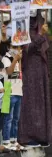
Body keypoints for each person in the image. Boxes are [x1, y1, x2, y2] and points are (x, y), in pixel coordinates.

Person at [18, 9, 51, 147]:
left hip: (41, 70)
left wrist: (43, 34)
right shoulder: (21, 26)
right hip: (29, 68)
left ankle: (43, 135)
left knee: (41, 100)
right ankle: (27, 136)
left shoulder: (41, 24)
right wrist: (40, 35)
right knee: (29, 101)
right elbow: (27, 49)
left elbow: (45, 48)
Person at [1, 44, 25, 150]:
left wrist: (19, 60)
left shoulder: (18, 59)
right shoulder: (6, 58)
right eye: (15, 47)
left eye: (19, 48)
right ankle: (6, 142)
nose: (17, 50)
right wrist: (15, 60)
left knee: (16, 119)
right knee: (7, 118)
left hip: (18, 91)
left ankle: (13, 140)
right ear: (9, 47)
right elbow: (9, 72)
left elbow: (19, 74)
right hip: (8, 90)